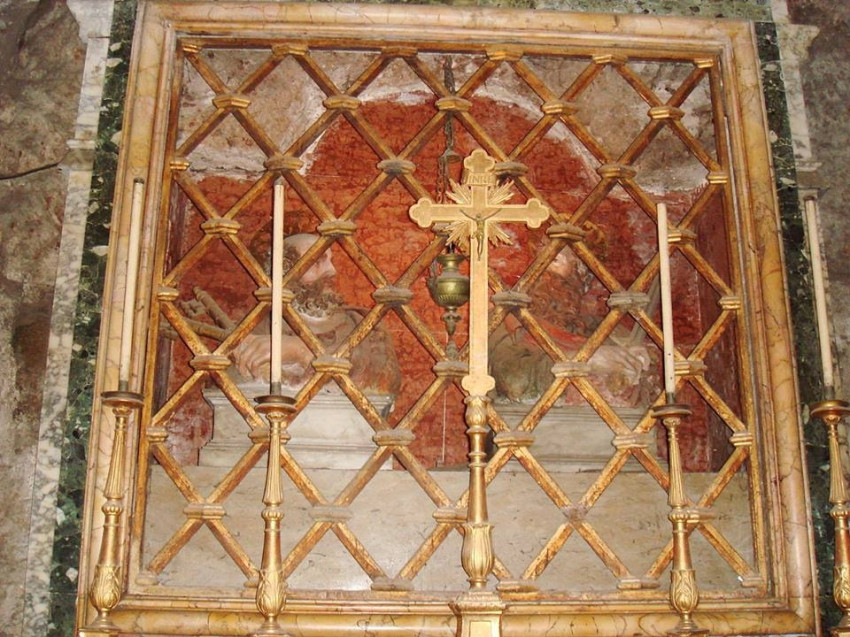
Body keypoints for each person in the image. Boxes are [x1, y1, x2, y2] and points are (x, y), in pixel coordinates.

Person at [231, 233, 401, 397]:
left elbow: (384, 384)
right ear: (284, 270)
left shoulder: (363, 325)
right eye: (317, 261)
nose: (332, 271)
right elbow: (234, 387)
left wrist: (302, 351)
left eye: (330, 261)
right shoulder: (253, 327)